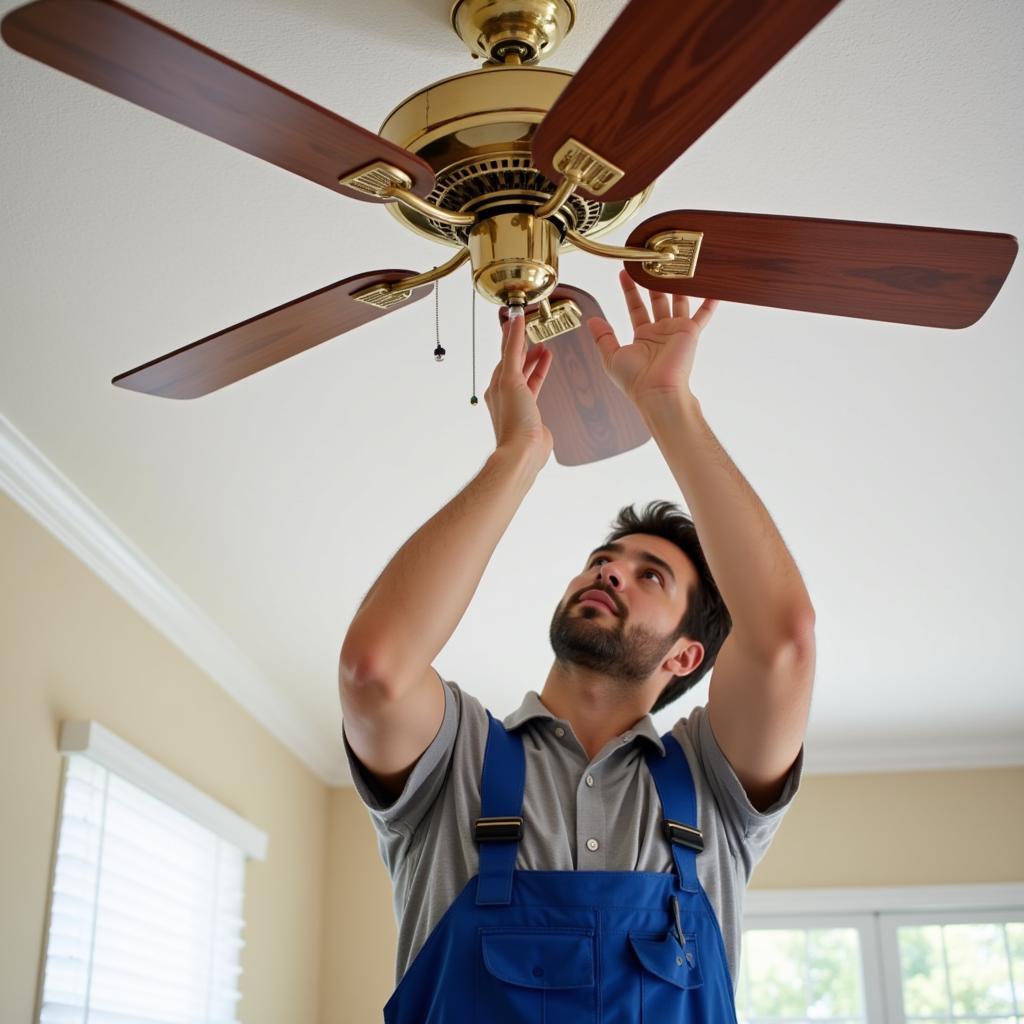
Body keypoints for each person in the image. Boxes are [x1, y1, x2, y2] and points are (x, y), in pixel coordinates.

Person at [339, 269, 816, 1022]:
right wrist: (516, 455)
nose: (609, 572)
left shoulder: (713, 789)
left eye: (649, 574)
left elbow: (784, 642)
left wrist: (668, 406)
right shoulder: (458, 758)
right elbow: (374, 671)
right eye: (603, 562)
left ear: (686, 656)